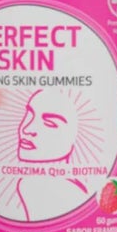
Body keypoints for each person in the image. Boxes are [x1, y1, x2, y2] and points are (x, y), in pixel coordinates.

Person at [16, 89, 87, 221]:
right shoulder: (28, 185)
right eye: (29, 114)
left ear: (74, 138)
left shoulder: (31, 186)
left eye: (49, 123)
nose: (27, 129)